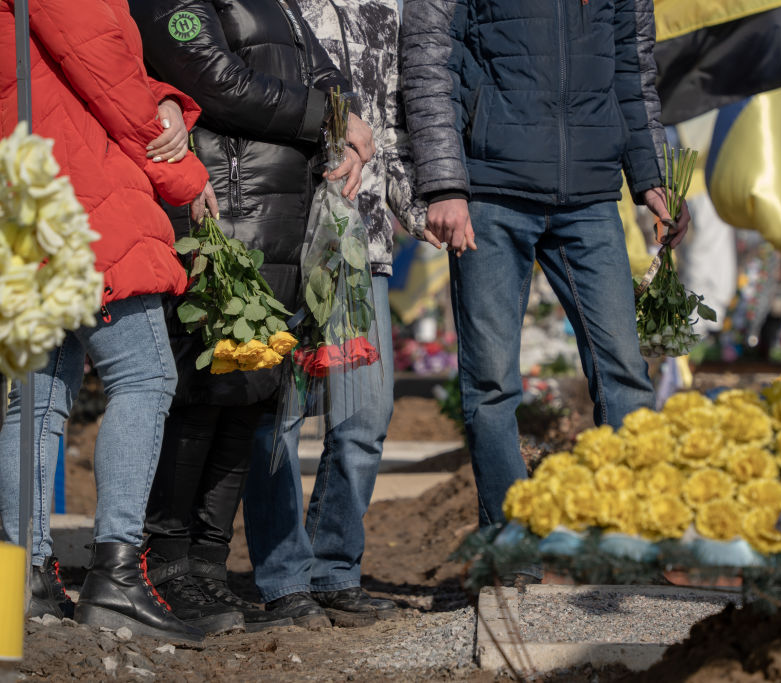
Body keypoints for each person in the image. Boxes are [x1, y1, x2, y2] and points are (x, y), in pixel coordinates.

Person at [129, 0, 375, 631]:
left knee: (251, 395)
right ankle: (166, 564)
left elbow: (326, 73)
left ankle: (208, 569)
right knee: (199, 394)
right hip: (217, 210)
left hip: (280, 216)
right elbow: (214, 80)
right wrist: (330, 118)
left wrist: (339, 111)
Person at [399, 0, 691, 532]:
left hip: (590, 198)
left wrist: (654, 176)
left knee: (624, 371)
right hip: (490, 193)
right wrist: (444, 184)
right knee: (491, 383)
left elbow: (632, 71)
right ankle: (510, 541)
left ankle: (631, 535)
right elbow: (427, 61)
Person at [0, 0, 218, 642]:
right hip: (82, 191)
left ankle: (29, 580)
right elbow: (108, 73)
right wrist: (185, 175)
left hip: (22, 188)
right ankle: (116, 575)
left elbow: (95, 66)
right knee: (144, 378)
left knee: (36, 400)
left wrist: (168, 97)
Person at [237, 0, 428, 627]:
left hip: (363, 247)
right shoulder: (277, 6)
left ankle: (334, 567)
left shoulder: (390, 8)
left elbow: (393, 131)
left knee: (365, 416)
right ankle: (284, 578)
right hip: (286, 237)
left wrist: (423, 211)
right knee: (279, 416)